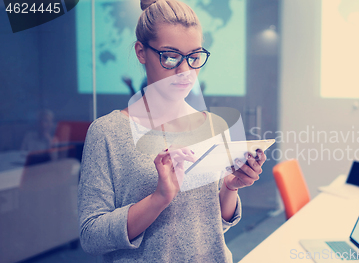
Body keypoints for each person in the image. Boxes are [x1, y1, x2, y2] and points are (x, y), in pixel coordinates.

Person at [77, 1, 267, 262]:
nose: (185, 71)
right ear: (141, 52)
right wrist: (159, 198)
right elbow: (91, 236)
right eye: (170, 57)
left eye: (194, 57)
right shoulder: (107, 132)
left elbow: (214, 226)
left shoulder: (213, 125)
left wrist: (230, 188)